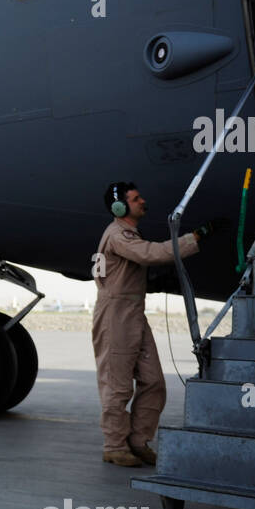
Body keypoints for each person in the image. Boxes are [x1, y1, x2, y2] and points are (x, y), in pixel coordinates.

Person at [93, 181, 213, 467]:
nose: (143, 201)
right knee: (117, 386)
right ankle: (114, 445)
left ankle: (137, 441)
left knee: (154, 382)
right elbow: (151, 253)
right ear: (120, 206)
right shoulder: (118, 235)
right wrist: (195, 237)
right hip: (116, 316)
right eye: (136, 199)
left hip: (133, 312)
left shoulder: (128, 234)